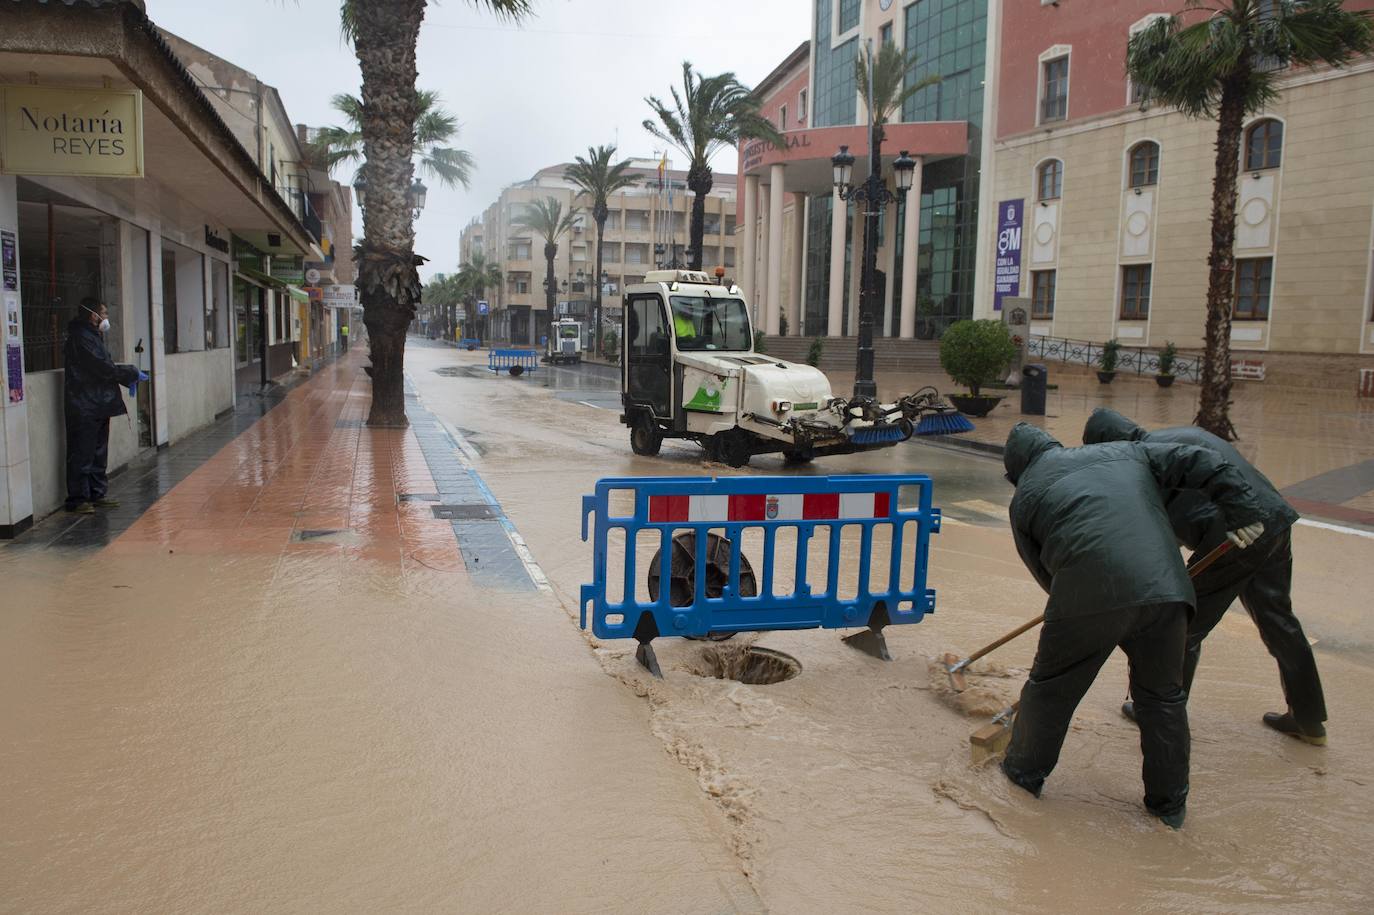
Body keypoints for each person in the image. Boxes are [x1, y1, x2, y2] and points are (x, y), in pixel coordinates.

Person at [1001, 423, 1264, 828]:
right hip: (1169, 590)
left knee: (1051, 689)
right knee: (1163, 700)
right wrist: (1243, 510)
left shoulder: (1024, 498)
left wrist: (1090, 610)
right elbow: (1204, 460)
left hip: (1087, 598)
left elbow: (1045, 575)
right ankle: (1169, 809)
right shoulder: (1126, 452)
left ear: (1016, 471)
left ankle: (1020, 779)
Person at [1083, 408, 1327, 746]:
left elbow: (1155, 543)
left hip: (1232, 537)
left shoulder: (1144, 466)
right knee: (1279, 620)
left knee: (1180, 624)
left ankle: (1161, 709)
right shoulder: (1179, 436)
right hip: (1274, 521)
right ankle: (1309, 718)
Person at [63, 299, 144, 514]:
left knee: (98, 452)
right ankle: (78, 499)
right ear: (93, 315)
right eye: (104, 313)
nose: (106, 318)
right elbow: (102, 367)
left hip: (97, 403)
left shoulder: (92, 336)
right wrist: (130, 373)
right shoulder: (81, 338)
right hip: (84, 404)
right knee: (82, 452)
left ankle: (96, 494)